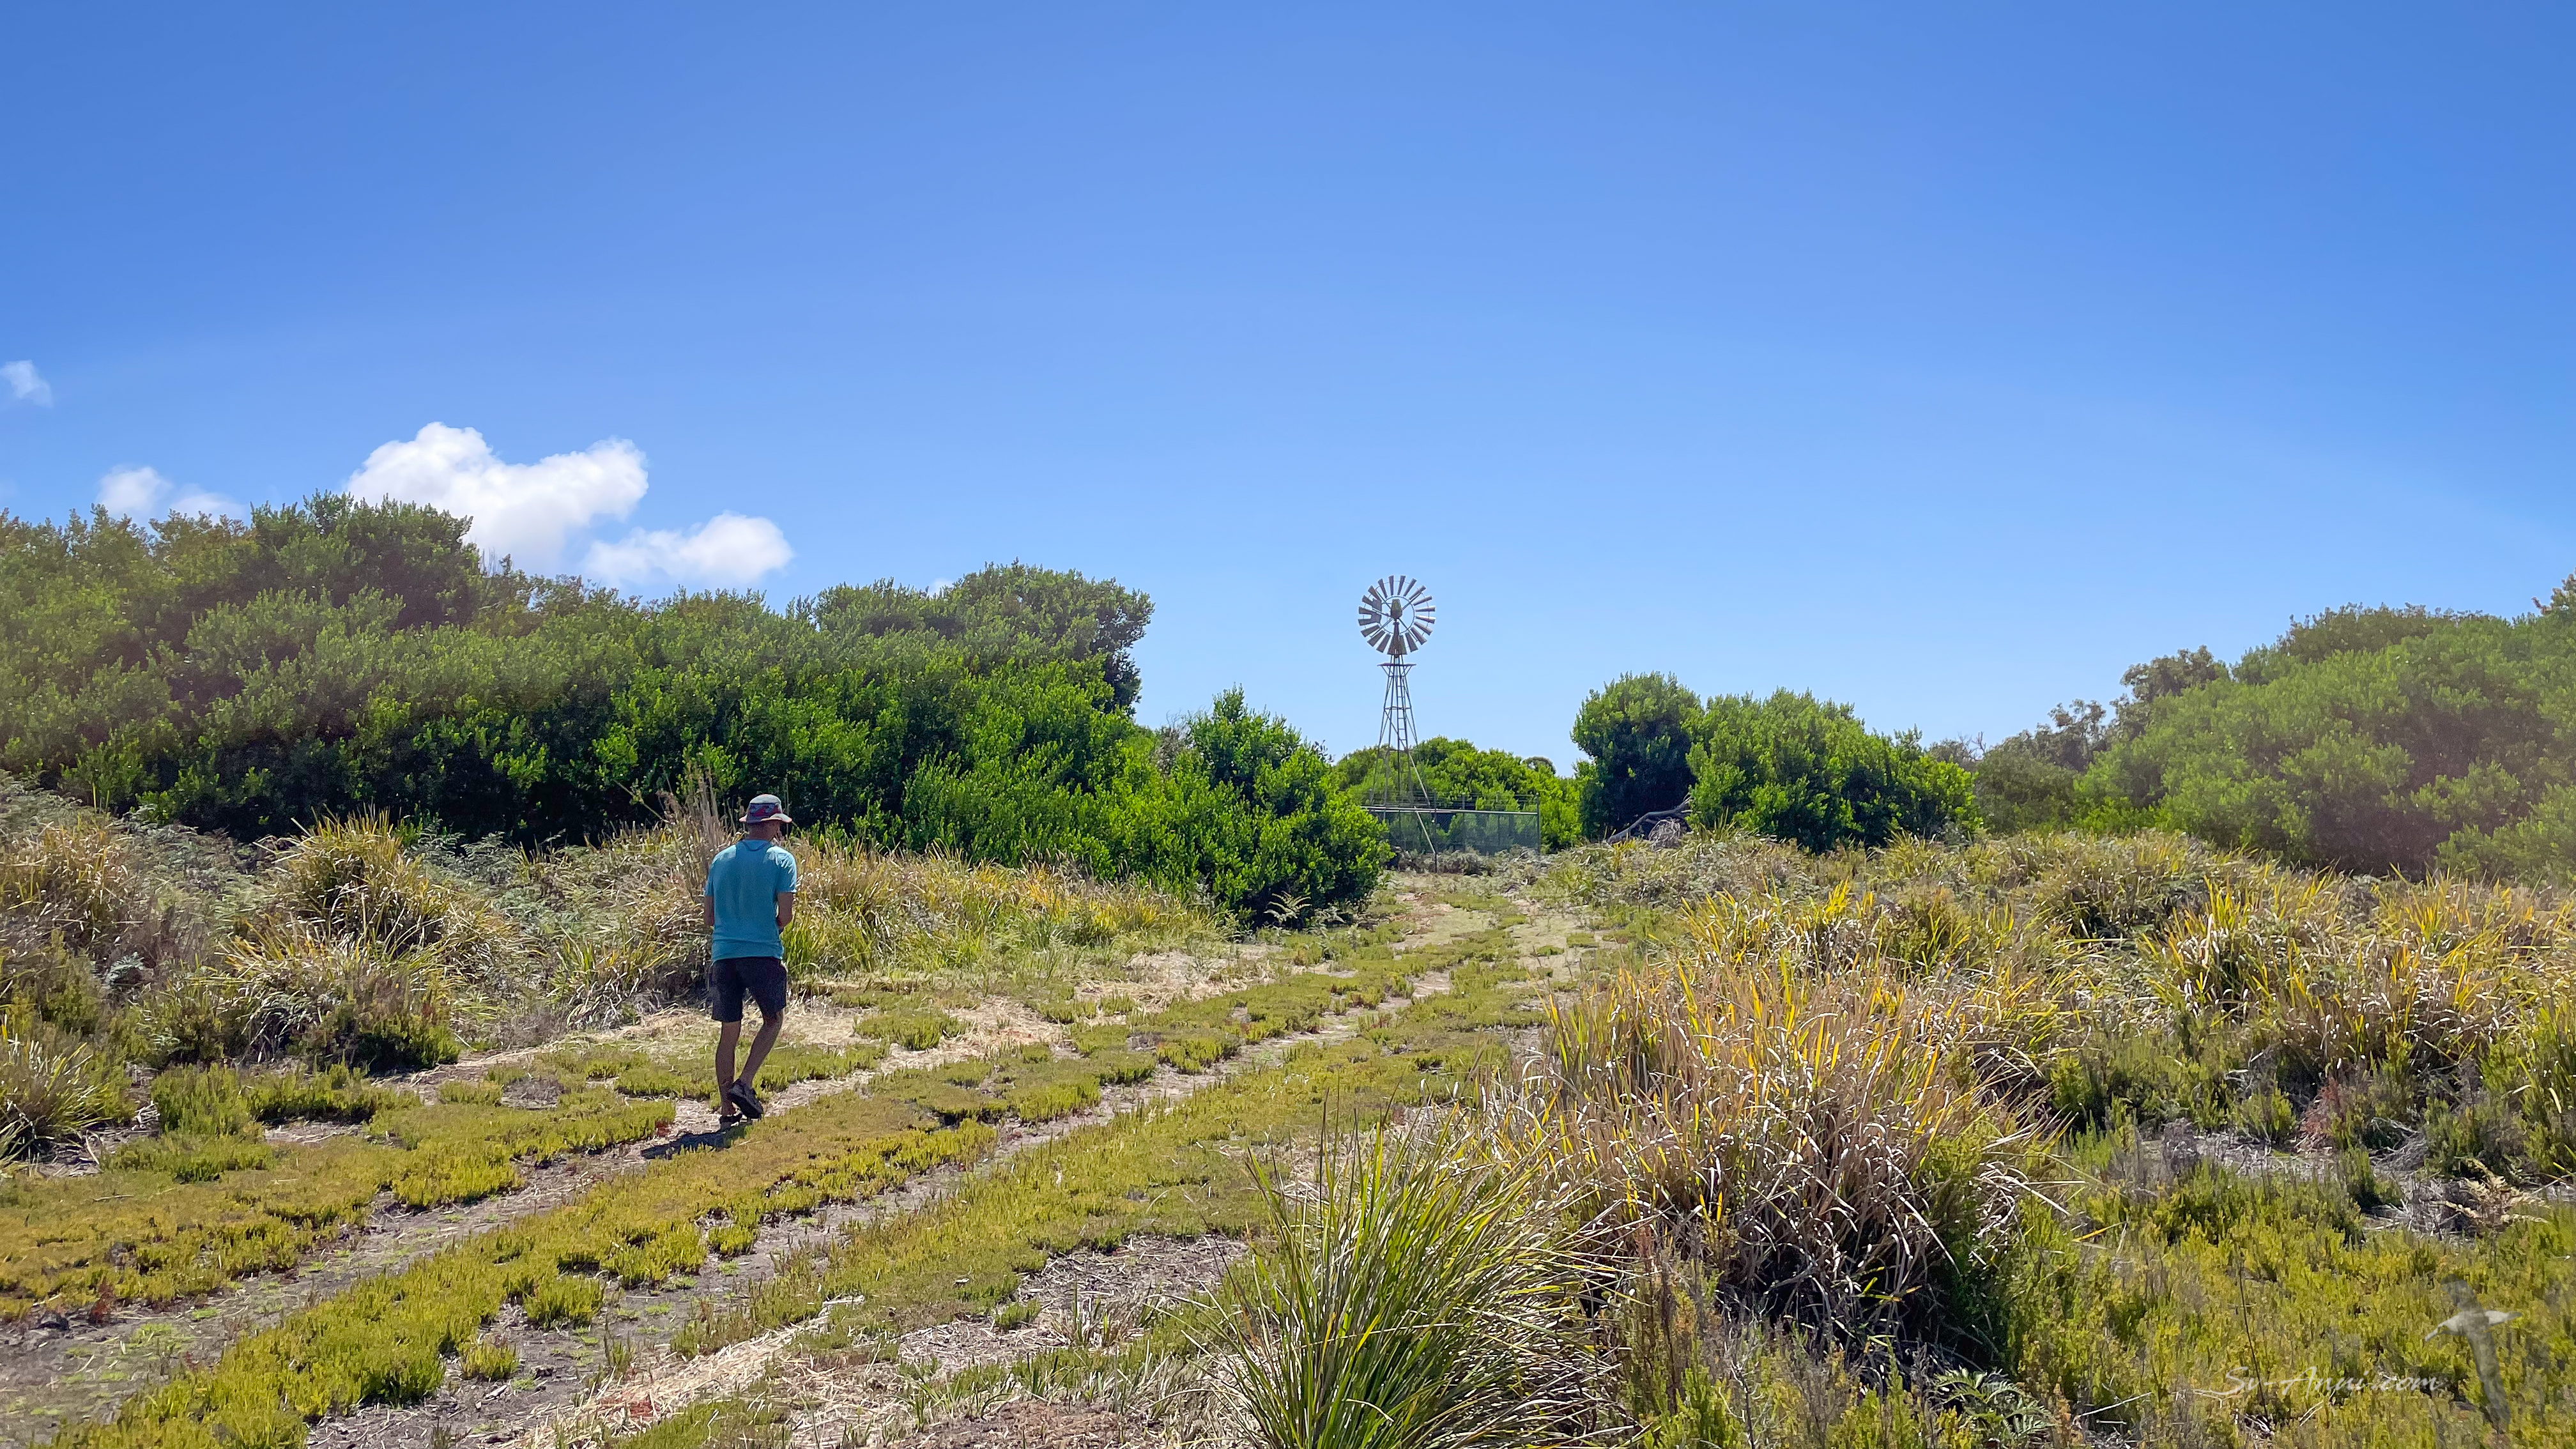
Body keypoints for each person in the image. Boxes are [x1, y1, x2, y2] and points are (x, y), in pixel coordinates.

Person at [702, 793, 797, 1125]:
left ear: (749, 824)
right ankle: (745, 1083)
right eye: (779, 825)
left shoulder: (720, 860)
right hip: (762, 953)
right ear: (771, 824)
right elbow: (785, 916)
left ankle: (727, 1109)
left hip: (724, 955)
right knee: (773, 1020)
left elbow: (709, 918)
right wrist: (767, 928)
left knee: (729, 1032)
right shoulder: (782, 861)